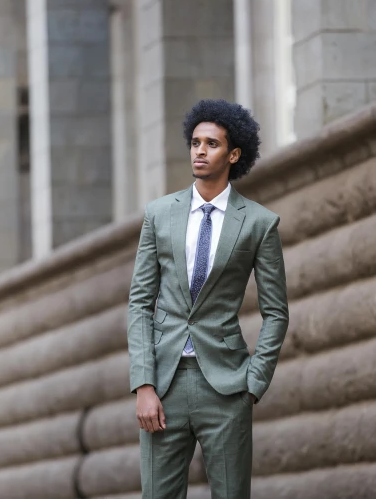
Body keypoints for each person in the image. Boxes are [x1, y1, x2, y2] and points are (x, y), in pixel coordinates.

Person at [127, 99, 289, 498]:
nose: (200, 150)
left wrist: (253, 382)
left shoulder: (259, 223)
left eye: (212, 144)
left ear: (234, 154)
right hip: (163, 387)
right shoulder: (159, 214)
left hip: (226, 386)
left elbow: (276, 312)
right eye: (195, 142)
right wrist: (143, 384)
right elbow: (139, 304)